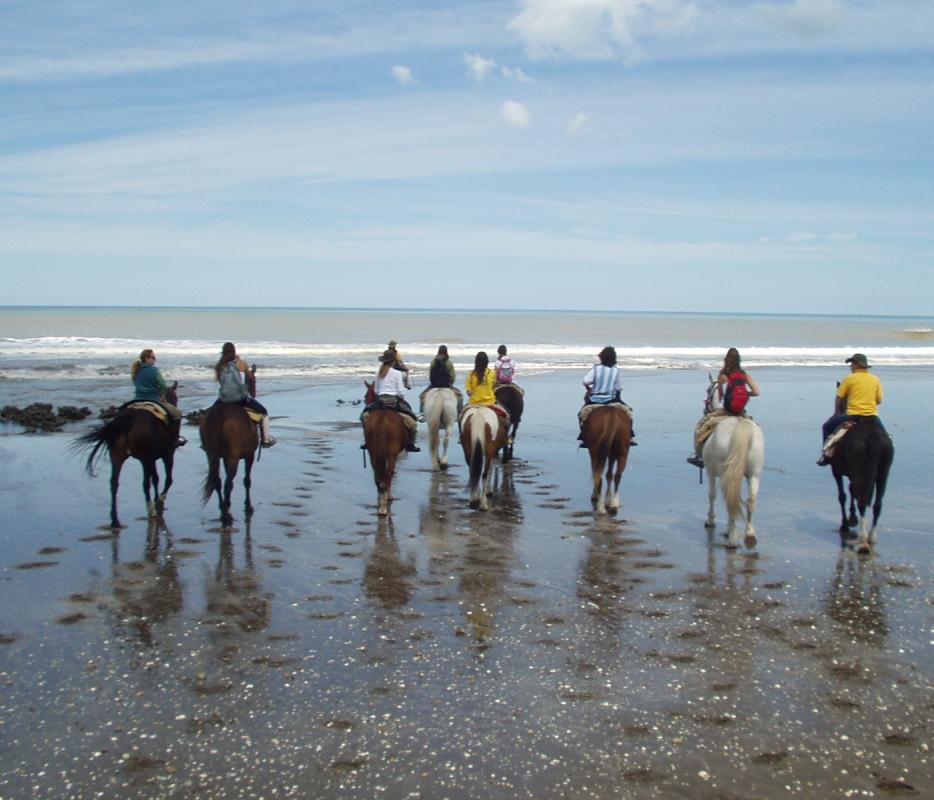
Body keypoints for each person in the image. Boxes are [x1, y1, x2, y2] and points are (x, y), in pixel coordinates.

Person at [687, 347, 759, 468]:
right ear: (739, 360)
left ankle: (699, 457)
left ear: (726, 359)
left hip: (727, 411)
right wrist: (746, 393)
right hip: (741, 412)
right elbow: (757, 392)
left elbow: (720, 397)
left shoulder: (723, 375)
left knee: (700, 428)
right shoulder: (744, 375)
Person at [816, 353, 885, 466]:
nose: (851, 366)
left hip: (853, 415)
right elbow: (879, 400)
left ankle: (826, 456)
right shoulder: (875, 379)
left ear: (857, 364)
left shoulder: (849, 378)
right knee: (885, 436)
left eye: (852, 363)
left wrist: (837, 412)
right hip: (872, 416)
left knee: (826, 427)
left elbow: (839, 398)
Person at [214, 341, 276, 447]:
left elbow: (222, 384)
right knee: (264, 412)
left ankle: (208, 442)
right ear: (234, 351)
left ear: (222, 352)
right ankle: (265, 439)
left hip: (224, 399)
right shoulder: (242, 364)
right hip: (240, 398)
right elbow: (248, 380)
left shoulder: (219, 366)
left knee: (209, 415)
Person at [578, 345, 636, 448]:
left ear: (602, 358)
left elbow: (585, 381)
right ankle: (630, 436)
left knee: (581, 414)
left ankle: (583, 438)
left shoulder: (596, 369)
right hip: (612, 399)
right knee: (629, 413)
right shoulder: (615, 370)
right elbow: (619, 388)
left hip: (595, 399)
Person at [363, 349, 420, 452]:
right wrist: (402, 398)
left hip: (379, 401)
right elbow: (400, 392)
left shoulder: (378, 373)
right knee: (413, 422)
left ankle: (367, 441)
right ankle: (410, 444)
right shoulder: (397, 373)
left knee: (364, 417)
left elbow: (376, 391)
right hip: (393, 401)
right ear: (393, 361)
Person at [131, 348, 185, 446]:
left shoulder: (135, 371)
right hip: (153, 399)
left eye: (154, 358)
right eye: (152, 357)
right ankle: (175, 438)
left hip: (137, 400)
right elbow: (163, 386)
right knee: (177, 414)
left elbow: (136, 384)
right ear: (146, 358)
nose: (154, 360)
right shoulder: (154, 371)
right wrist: (163, 396)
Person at [418, 344, 463, 419]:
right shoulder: (449, 362)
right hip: (447, 385)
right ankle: (459, 413)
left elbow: (431, 375)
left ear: (438, 352)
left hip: (434, 386)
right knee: (460, 396)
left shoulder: (433, 362)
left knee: (421, 396)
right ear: (446, 352)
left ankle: (422, 414)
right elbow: (452, 376)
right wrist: (450, 384)